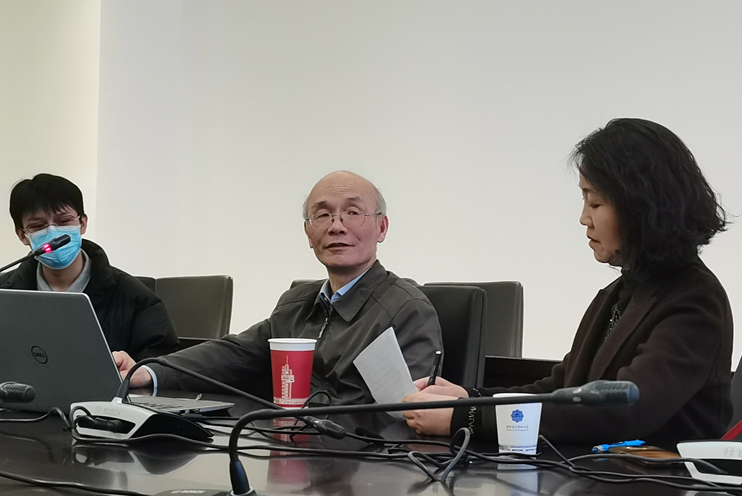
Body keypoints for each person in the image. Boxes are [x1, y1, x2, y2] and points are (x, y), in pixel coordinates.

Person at [402, 118, 732, 447]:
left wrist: (465, 418)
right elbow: (560, 388)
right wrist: (469, 398)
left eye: (595, 202)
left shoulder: (695, 300)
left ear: (641, 206)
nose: (584, 217)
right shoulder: (620, 291)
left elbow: (622, 412)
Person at [114, 170, 443, 405]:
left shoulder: (406, 310)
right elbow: (233, 354)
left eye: (353, 212)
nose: (337, 226)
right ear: (308, 232)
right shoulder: (296, 305)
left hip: (360, 467)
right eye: (322, 215)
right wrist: (147, 372)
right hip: (289, 455)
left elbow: (408, 416)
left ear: (381, 227)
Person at [0, 173, 178, 360]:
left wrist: (135, 370)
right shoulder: (4, 293)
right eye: (38, 226)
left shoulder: (136, 298)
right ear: (22, 235)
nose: (53, 233)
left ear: (82, 223)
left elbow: (165, 364)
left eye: (64, 221)